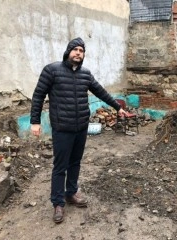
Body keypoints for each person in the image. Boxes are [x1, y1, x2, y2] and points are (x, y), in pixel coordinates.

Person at [30, 37, 126, 224]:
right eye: (75, 50)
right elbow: (38, 95)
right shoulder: (52, 70)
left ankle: (71, 193)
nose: (78, 53)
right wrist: (35, 121)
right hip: (62, 128)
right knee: (60, 166)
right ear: (68, 51)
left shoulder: (86, 74)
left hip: (81, 127)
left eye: (81, 51)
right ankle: (58, 203)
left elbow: (101, 92)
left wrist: (117, 106)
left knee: (75, 162)